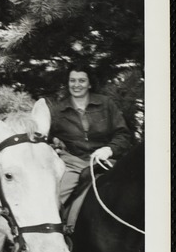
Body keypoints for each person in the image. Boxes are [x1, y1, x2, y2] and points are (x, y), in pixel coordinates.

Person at [48, 64, 132, 206]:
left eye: (82, 80)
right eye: (72, 80)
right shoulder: (57, 111)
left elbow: (123, 134)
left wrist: (109, 149)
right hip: (72, 167)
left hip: (105, 163)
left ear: (90, 84)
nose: (76, 85)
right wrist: (54, 144)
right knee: (54, 201)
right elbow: (45, 139)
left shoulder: (106, 104)